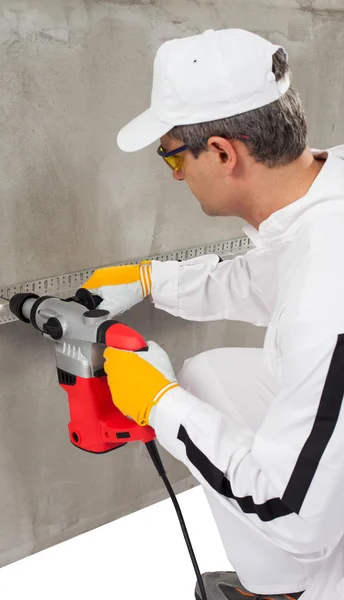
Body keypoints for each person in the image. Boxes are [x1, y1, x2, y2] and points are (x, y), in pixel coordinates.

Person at [82, 29, 344, 600]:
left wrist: (159, 404)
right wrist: (154, 278)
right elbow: (273, 279)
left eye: (172, 157)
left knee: (292, 516)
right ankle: (274, 587)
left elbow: (291, 513)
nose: (175, 176)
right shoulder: (327, 193)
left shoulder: (327, 298)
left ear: (224, 152)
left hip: (313, 525)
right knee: (209, 375)